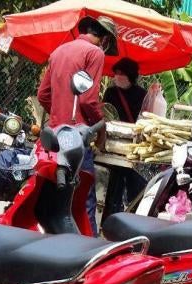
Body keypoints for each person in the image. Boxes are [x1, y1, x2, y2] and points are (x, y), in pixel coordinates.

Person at [37, 15, 117, 236]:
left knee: (52, 198)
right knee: (83, 200)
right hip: (76, 140)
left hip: (53, 136)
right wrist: (101, 126)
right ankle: (88, 247)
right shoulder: (95, 53)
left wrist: (59, 114)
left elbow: (43, 95)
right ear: (105, 39)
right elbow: (88, 100)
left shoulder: (58, 51)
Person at [101, 58, 147, 223]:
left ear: (130, 75)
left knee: (133, 183)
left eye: (121, 73)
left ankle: (132, 215)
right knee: (113, 183)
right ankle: (109, 215)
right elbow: (104, 112)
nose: (117, 76)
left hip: (133, 145)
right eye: (116, 73)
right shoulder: (110, 92)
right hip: (111, 143)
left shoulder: (141, 94)